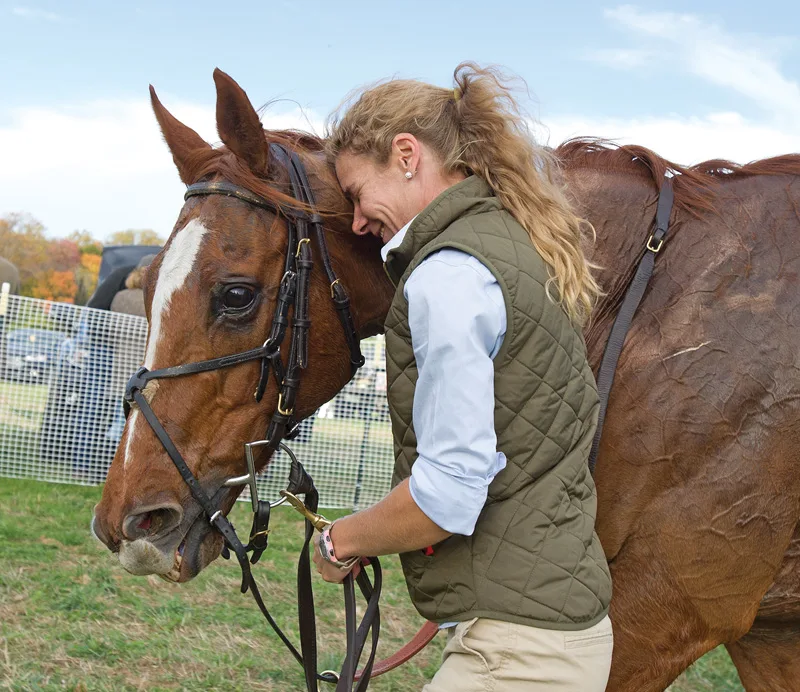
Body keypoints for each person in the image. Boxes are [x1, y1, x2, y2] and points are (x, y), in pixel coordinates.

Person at [315, 63, 613, 690]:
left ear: (405, 155)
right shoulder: (514, 246)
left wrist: (343, 539)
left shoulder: (447, 274)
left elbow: (447, 496)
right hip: (556, 631)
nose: (358, 221)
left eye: (355, 194)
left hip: (518, 655)